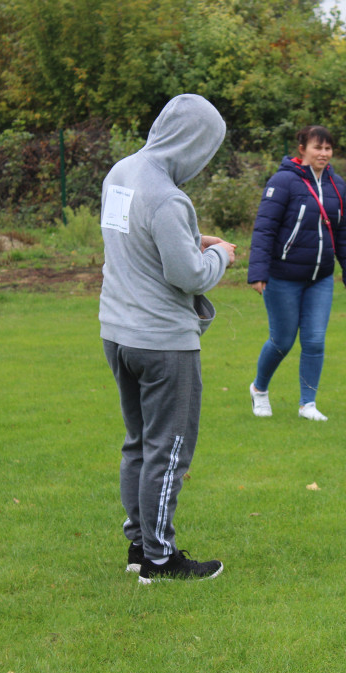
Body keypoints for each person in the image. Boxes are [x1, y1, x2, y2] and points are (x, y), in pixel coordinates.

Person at [99, 94, 236, 583]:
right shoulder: (168, 196)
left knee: (138, 444)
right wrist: (221, 256)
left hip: (116, 333)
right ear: (194, 143)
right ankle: (159, 559)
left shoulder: (121, 173)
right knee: (169, 449)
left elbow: (131, 235)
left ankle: (138, 544)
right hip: (162, 342)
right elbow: (190, 277)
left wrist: (193, 239)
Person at [247, 125, 346, 422]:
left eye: (328, 148)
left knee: (314, 342)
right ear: (302, 149)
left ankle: (307, 404)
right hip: (283, 276)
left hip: (320, 278)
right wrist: (258, 272)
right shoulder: (283, 182)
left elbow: (343, 232)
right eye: (317, 147)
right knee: (282, 341)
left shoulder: (337, 184)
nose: (324, 153)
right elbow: (264, 229)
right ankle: (259, 389)